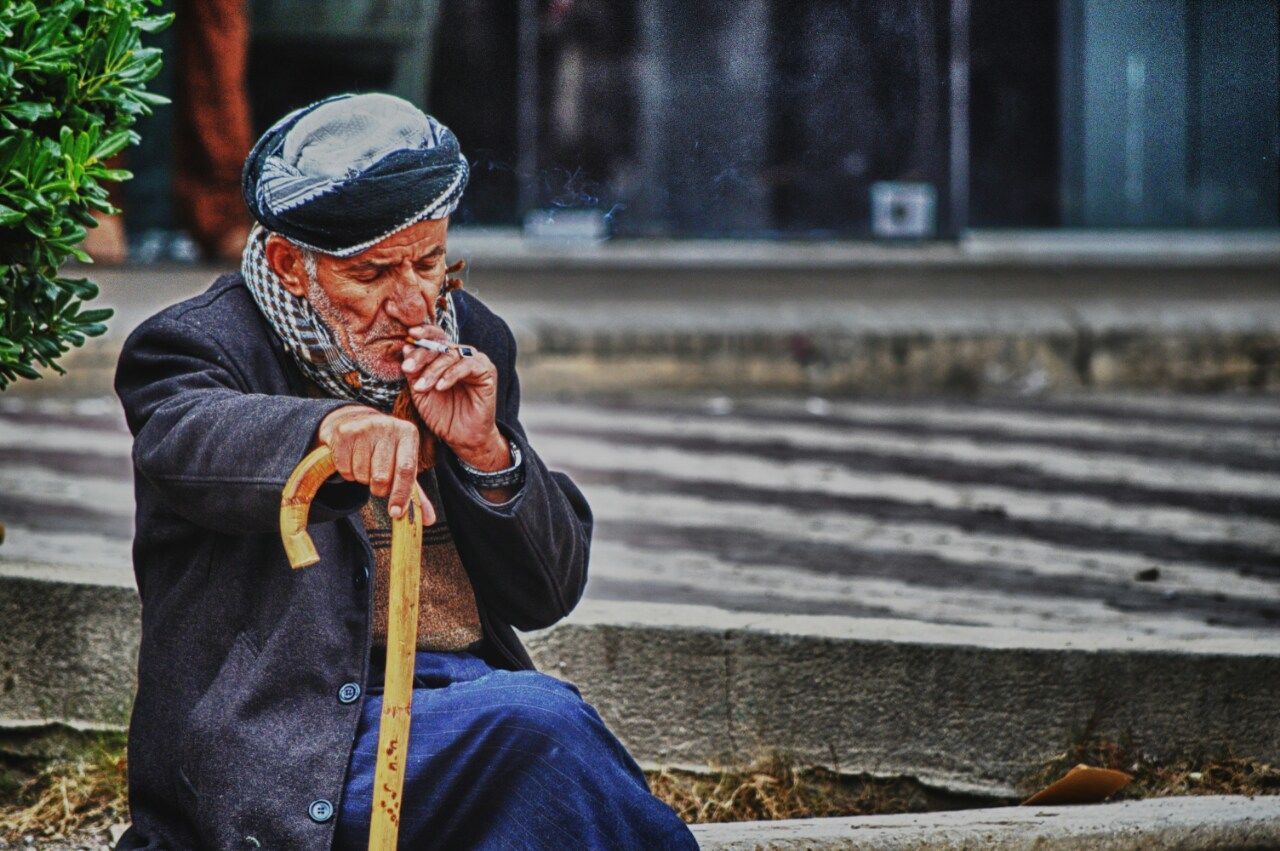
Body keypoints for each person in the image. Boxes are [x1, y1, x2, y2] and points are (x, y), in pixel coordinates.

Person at [113, 92, 697, 849]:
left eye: (429, 262)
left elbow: (548, 591)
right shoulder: (196, 347)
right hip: (293, 736)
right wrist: (330, 431)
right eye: (374, 274)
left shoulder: (472, 336)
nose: (413, 300)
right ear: (293, 266)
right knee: (540, 732)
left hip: (459, 704)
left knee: (540, 739)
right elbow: (190, 439)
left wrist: (489, 454)